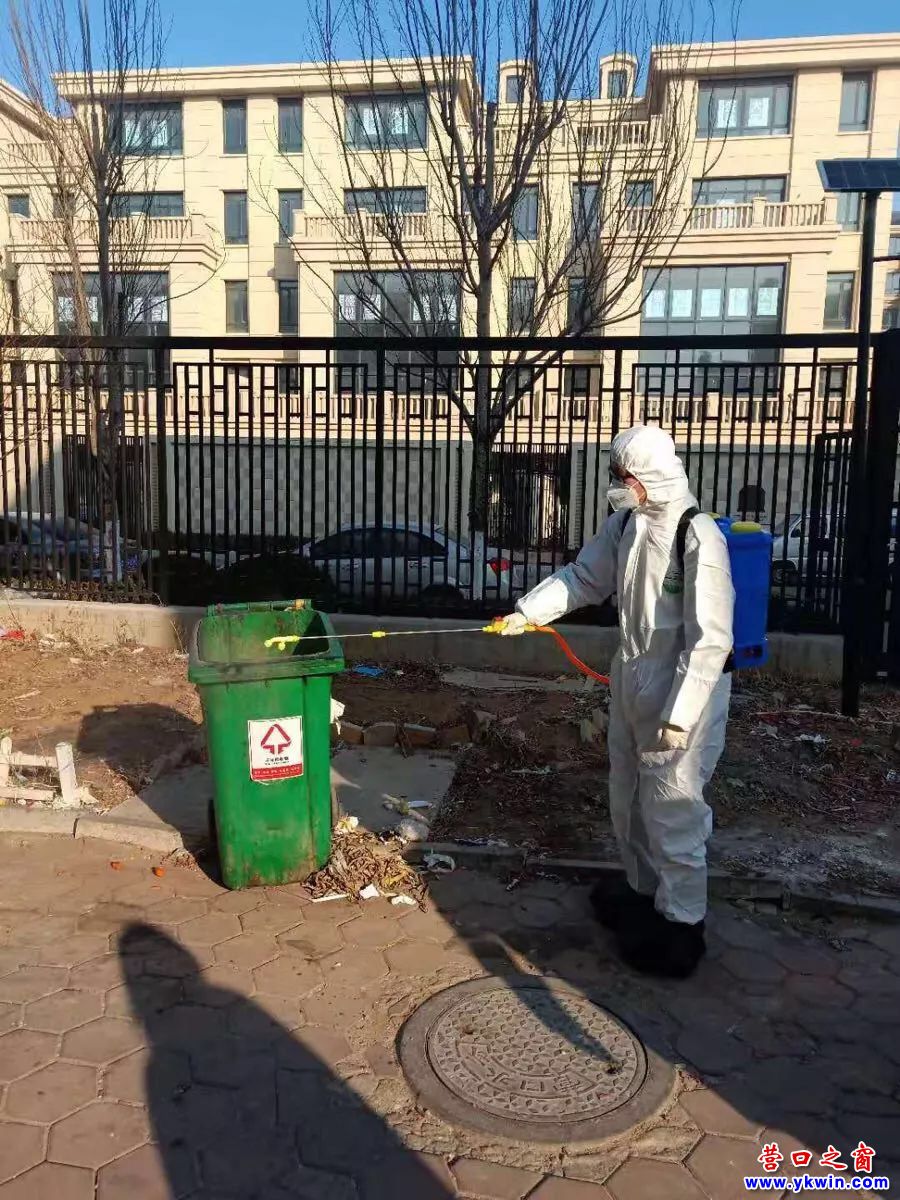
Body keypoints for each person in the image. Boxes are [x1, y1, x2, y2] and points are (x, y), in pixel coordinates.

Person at [501, 424, 734, 978]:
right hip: (632, 676)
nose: (617, 483)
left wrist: (681, 714)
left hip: (682, 688)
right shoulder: (626, 524)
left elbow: (711, 639)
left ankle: (682, 924)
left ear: (649, 475)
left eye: (623, 475)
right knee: (627, 795)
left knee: (673, 807)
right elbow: (585, 577)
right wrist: (528, 612)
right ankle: (640, 890)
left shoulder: (697, 535)